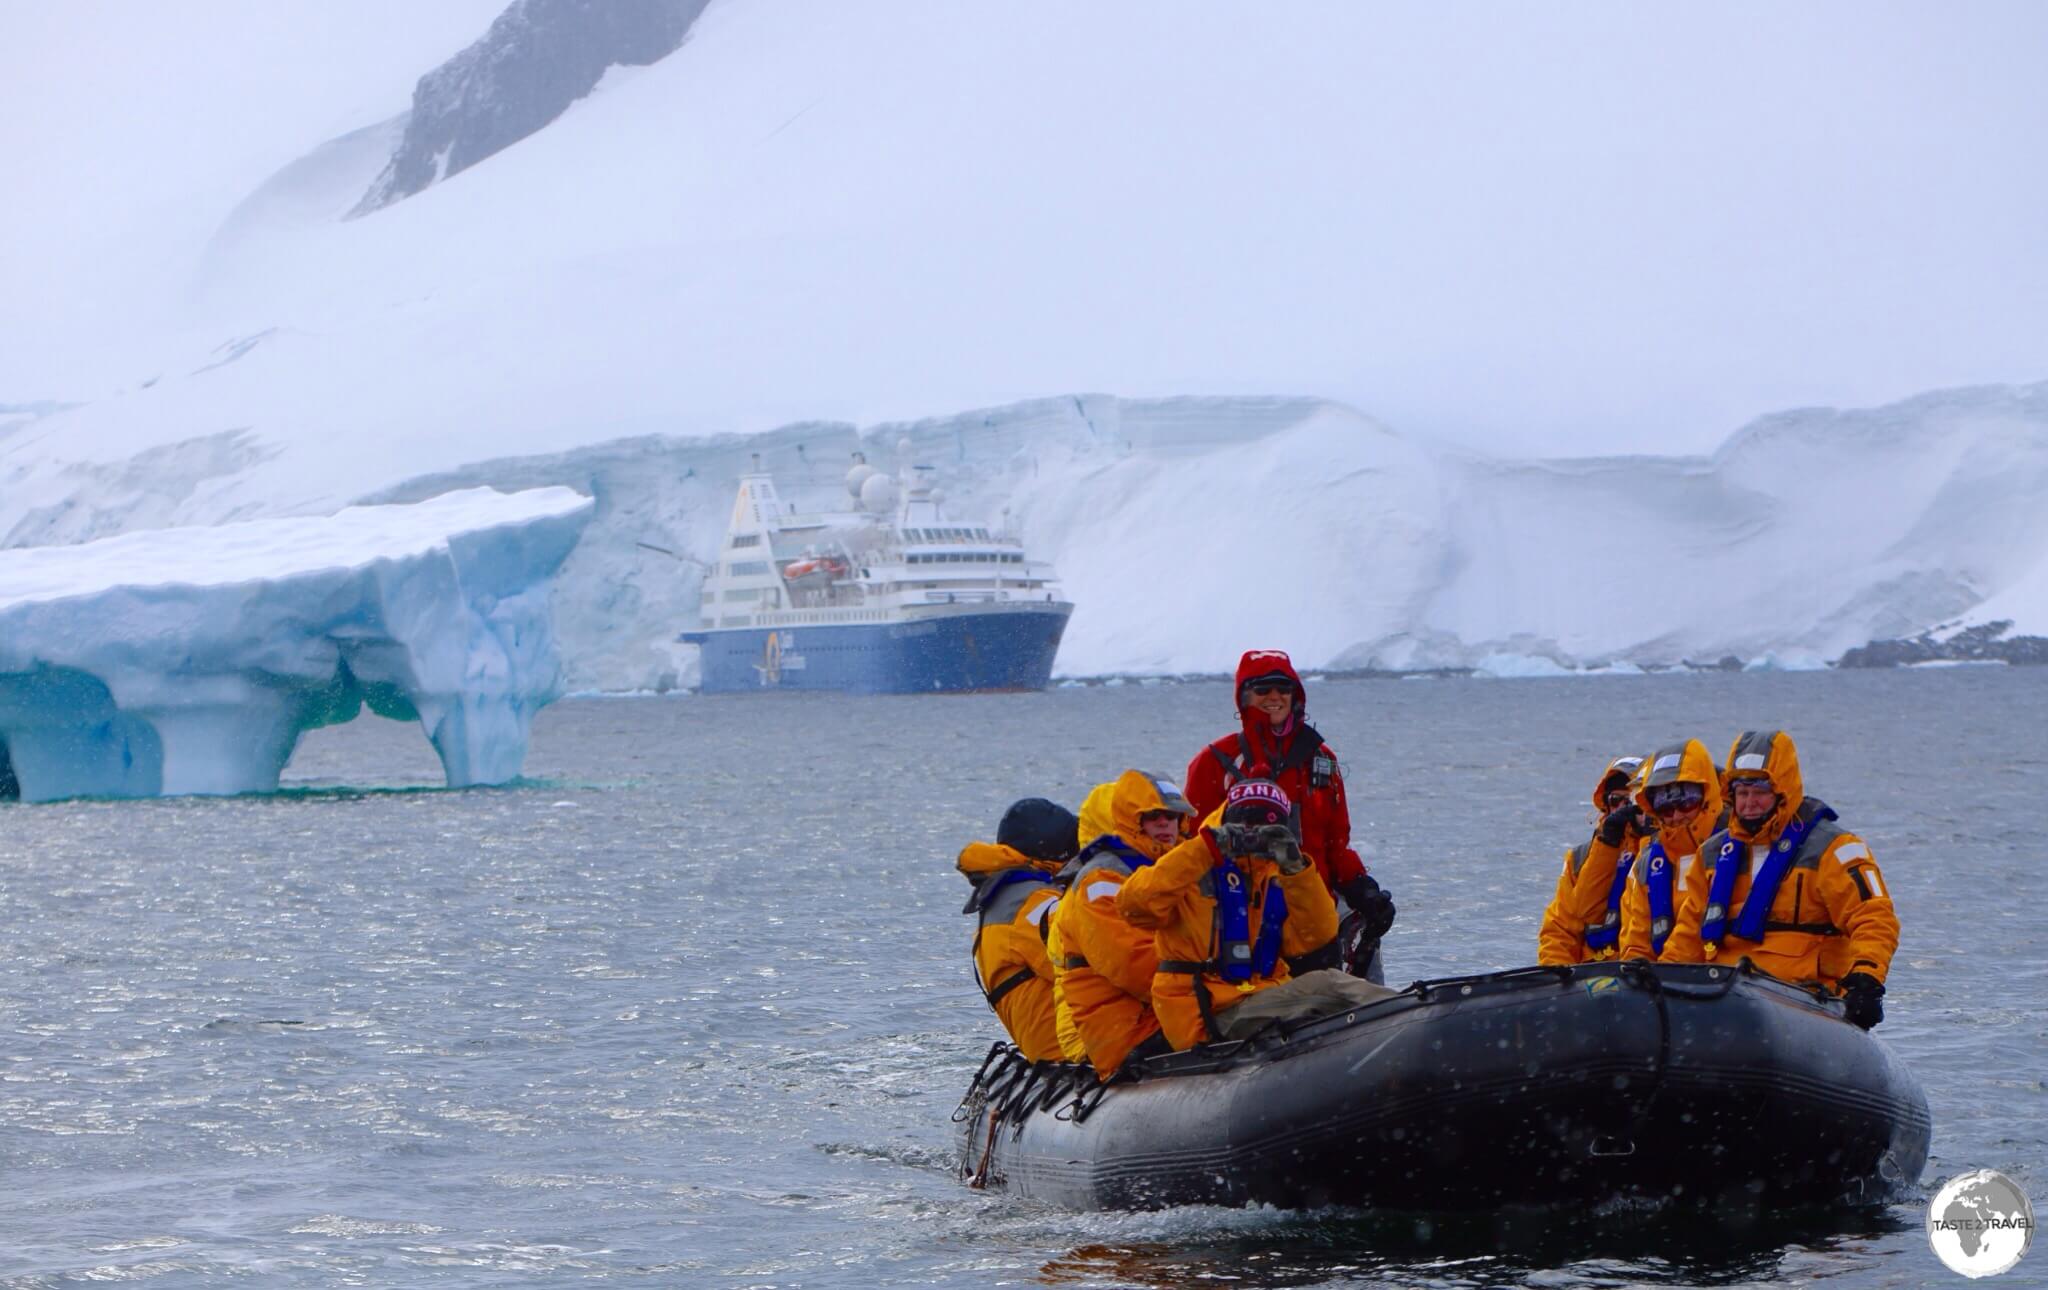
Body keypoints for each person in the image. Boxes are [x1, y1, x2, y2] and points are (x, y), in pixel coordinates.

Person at [1118, 778, 1398, 1049]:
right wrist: (1206, 848)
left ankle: (1405, 1022)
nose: (1254, 834)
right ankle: (1409, 1015)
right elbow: (1134, 906)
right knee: (1331, 986)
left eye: (1269, 826)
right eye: (1245, 824)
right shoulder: (1190, 863)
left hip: (1258, 998)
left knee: (1325, 987)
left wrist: (1297, 868)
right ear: (1227, 820)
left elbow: (1316, 937)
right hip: (1207, 1010)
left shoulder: (1274, 876)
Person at [1662, 730, 1898, 1028]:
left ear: (1781, 791)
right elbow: (1688, 934)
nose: (1750, 803)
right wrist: (1663, 982)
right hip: (1723, 999)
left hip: (1806, 1002)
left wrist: (1867, 979)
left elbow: (1873, 918)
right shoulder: (1710, 856)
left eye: (1759, 792)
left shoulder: (1834, 850)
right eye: (1742, 793)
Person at [1184, 649, 1394, 977]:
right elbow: (1192, 845)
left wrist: (1361, 887)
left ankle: (1376, 1017)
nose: (1275, 697)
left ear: (1296, 695)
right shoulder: (1216, 761)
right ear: (1244, 697)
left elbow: (1336, 842)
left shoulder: (1320, 758)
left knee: (1363, 947)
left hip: (1312, 902)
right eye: (1263, 689)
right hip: (1243, 908)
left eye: (1283, 688)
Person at [1048, 769, 1194, 1078]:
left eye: (1172, 816)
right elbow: (1135, 967)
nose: (1166, 823)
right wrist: (1213, 990)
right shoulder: (1101, 881)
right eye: (1154, 816)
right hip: (1131, 1032)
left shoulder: (1173, 871)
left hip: (1165, 1015)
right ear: (1130, 820)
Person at [957, 797, 1079, 1061]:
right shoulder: (1035, 904)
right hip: (1071, 1050)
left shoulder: (1006, 896)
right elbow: (1088, 967)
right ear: (1054, 851)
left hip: (1048, 1049)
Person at [1618, 740, 1727, 962]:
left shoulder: (1740, 848)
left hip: (1728, 980)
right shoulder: (1647, 863)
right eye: (1665, 807)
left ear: (1707, 796)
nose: (1676, 815)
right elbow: (1636, 943)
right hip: (1666, 982)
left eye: (1686, 802)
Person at [1537, 755, 1651, 965]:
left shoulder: (1661, 853)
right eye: (1617, 800)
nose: (1625, 809)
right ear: (1605, 804)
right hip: (1591, 975)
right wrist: (1559, 980)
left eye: (1632, 801)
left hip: (1641, 972)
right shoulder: (1580, 859)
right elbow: (1560, 931)